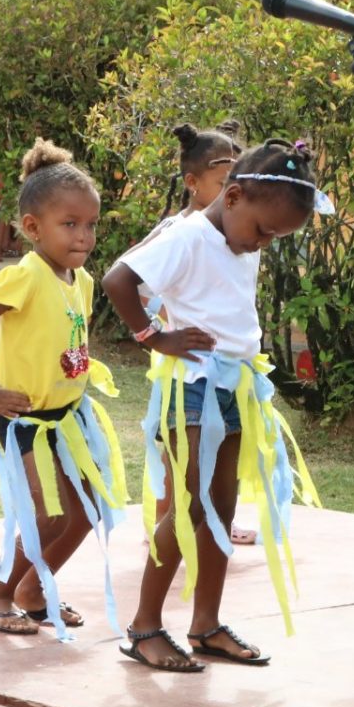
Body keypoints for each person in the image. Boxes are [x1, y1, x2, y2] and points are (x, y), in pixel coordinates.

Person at [102, 139, 327, 673]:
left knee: (221, 510)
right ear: (233, 198)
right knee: (188, 507)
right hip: (194, 388)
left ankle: (205, 624)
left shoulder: (235, 238)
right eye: (264, 231)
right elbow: (118, 280)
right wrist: (154, 337)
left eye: (276, 237)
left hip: (235, 387)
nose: (264, 244)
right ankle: (144, 628)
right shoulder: (189, 237)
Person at [0, 142, 126, 636]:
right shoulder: (23, 276)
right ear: (33, 228)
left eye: (91, 224)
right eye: (69, 224)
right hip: (26, 419)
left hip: (69, 418)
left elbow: (69, 340)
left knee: (87, 509)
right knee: (47, 513)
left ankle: (32, 590)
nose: (84, 235)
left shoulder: (82, 280)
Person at [131, 122, 260, 549]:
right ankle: (169, 522)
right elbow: (133, 280)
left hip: (226, 366)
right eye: (222, 183)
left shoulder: (237, 233)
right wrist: (159, 331)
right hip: (184, 360)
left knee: (221, 448)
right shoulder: (179, 230)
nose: (231, 193)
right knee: (180, 449)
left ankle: (213, 517)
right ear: (193, 183)